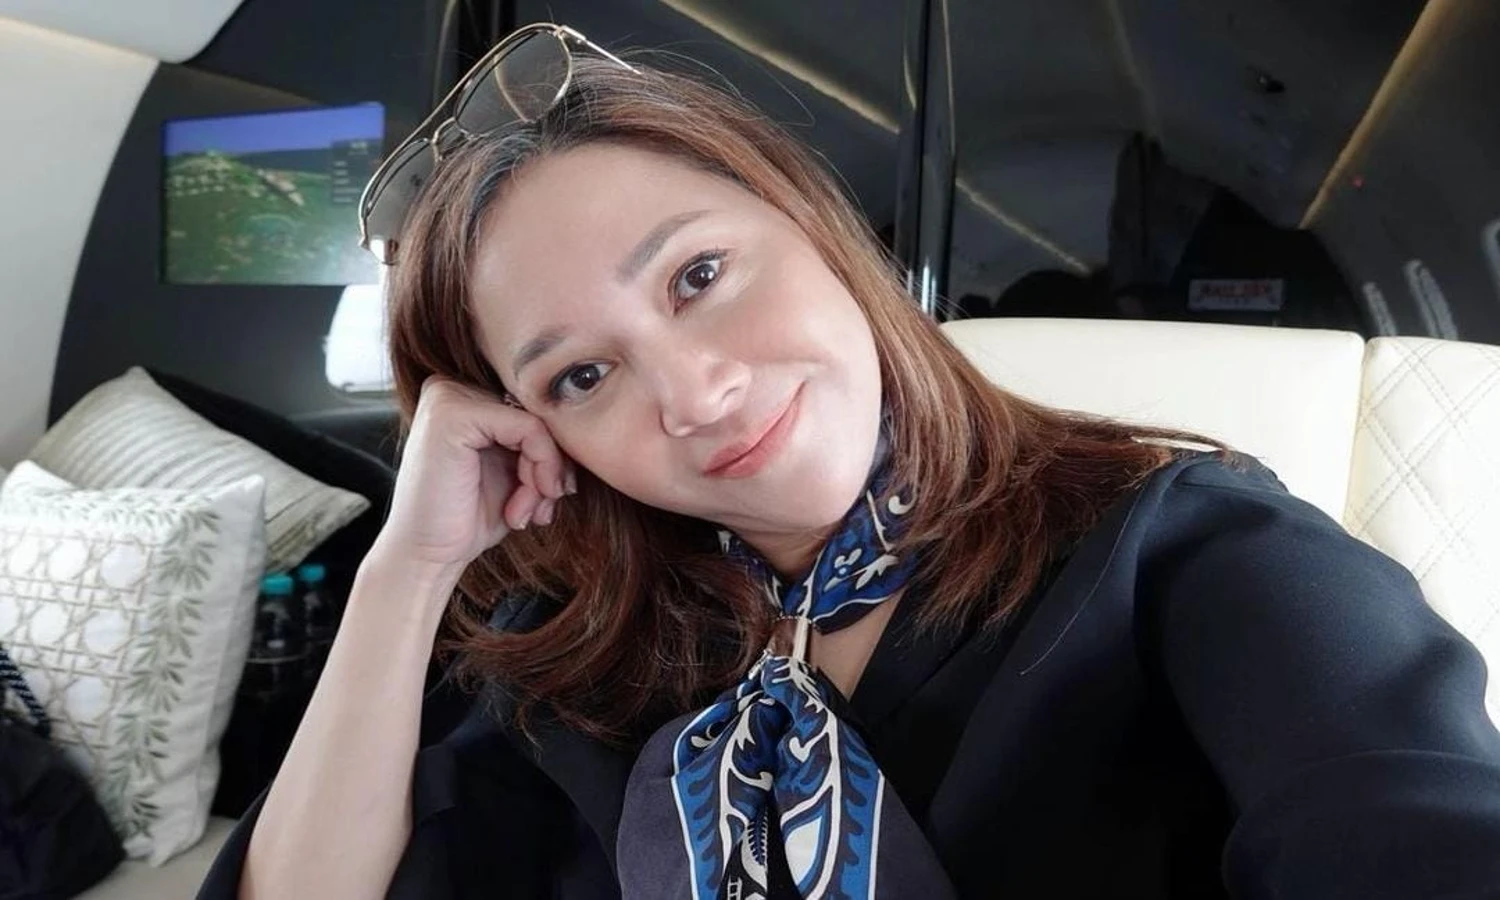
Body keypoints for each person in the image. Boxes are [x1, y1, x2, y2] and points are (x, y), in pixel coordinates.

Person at [203, 22, 1500, 900]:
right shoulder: (577, 652)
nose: (696, 395)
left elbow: (1407, 828)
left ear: (818, 228)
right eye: (581, 377)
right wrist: (407, 570)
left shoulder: (1188, 549)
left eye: (699, 276)